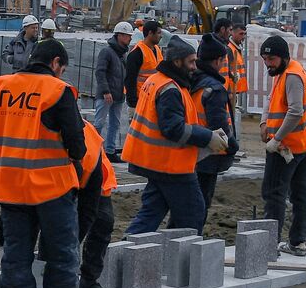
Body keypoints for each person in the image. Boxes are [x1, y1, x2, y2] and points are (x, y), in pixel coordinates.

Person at [0, 38, 88, 288]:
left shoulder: (2, 87)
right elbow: (78, 147)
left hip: (11, 188)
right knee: (62, 257)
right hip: (52, 189)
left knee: (15, 258)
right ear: (55, 64)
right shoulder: (58, 91)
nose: (61, 74)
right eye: (62, 69)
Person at [123, 35, 226, 235]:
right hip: (171, 164)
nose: (195, 66)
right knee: (192, 213)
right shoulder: (170, 89)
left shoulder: (158, 81)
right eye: (191, 62)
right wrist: (207, 137)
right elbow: (174, 128)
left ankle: (124, 256)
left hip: (156, 161)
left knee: (151, 213)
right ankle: (181, 261)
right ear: (177, 61)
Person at [259, 34, 306, 256]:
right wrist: (264, 122)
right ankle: (297, 242)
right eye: (265, 59)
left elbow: (296, 111)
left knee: (274, 193)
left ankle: (269, 245)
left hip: (289, 145)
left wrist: (276, 139)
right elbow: (272, 98)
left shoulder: (292, 76)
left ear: (283, 57)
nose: (268, 63)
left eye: (271, 59)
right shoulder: (285, 71)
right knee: (299, 193)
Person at [76, 119, 120, 288]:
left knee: (104, 221)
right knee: (65, 237)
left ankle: (88, 281)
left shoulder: (85, 126)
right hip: (66, 180)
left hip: (95, 173)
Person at [193, 34, 238, 212]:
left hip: (191, 147)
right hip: (209, 153)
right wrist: (232, 145)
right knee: (202, 201)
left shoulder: (193, 80)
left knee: (190, 200)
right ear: (218, 60)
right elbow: (218, 125)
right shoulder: (215, 89)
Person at [95, 21, 131, 162]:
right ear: (119, 35)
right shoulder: (107, 52)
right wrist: (105, 91)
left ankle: (110, 152)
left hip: (118, 95)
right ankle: (94, 150)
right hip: (106, 95)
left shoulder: (122, 54)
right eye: (127, 35)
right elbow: (100, 72)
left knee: (114, 124)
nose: (129, 38)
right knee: (99, 123)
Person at [123, 19, 164, 108]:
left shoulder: (157, 50)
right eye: (159, 33)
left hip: (154, 97)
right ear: (150, 33)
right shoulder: (137, 53)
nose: (161, 36)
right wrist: (133, 103)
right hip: (140, 99)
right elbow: (130, 80)